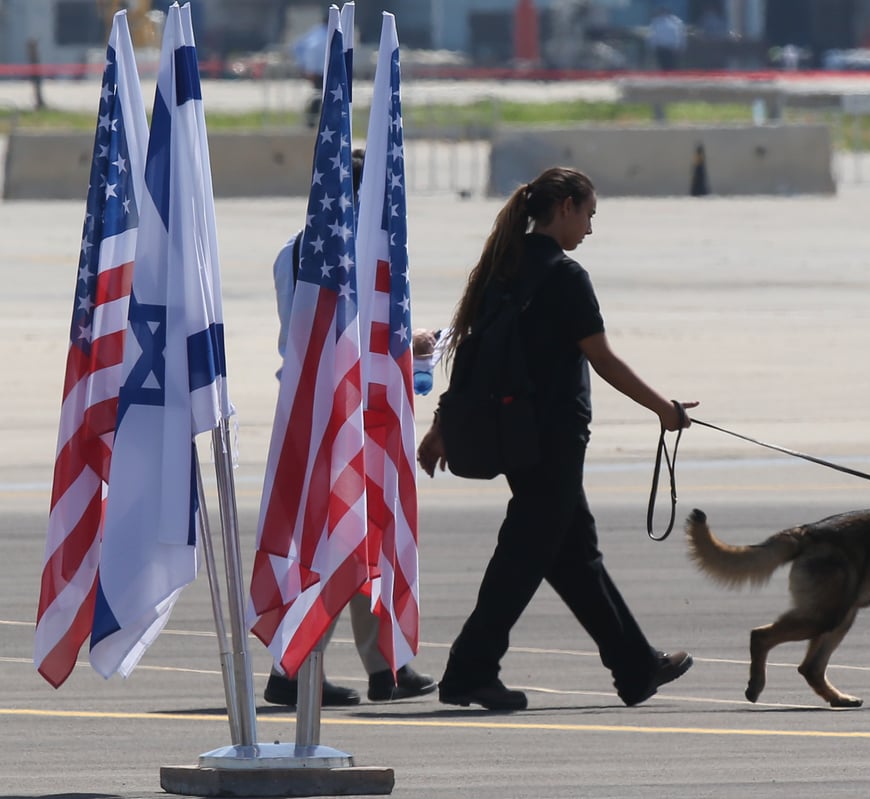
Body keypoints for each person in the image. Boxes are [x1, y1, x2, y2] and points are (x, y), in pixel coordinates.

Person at [416, 166, 698, 711]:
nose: (590, 228)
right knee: (522, 558)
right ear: (565, 206)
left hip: (517, 438)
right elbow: (603, 358)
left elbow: (470, 358)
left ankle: (635, 668)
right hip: (553, 442)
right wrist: (663, 408)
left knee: (574, 557)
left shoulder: (504, 265)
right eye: (589, 214)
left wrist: (441, 425)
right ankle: (469, 671)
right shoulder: (566, 276)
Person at [264, 148, 438, 707]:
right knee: (342, 542)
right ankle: (290, 672)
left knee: (365, 540)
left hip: (317, 413)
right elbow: (344, 341)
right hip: (342, 415)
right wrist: (406, 348)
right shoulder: (344, 259)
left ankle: (384, 668)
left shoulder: (291, 253)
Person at [647, 6, 686, 71]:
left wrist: (680, 47)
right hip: (662, 49)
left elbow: (680, 36)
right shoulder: (656, 21)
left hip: (671, 49)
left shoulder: (676, 22)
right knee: (664, 66)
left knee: (671, 66)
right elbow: (653, 35)